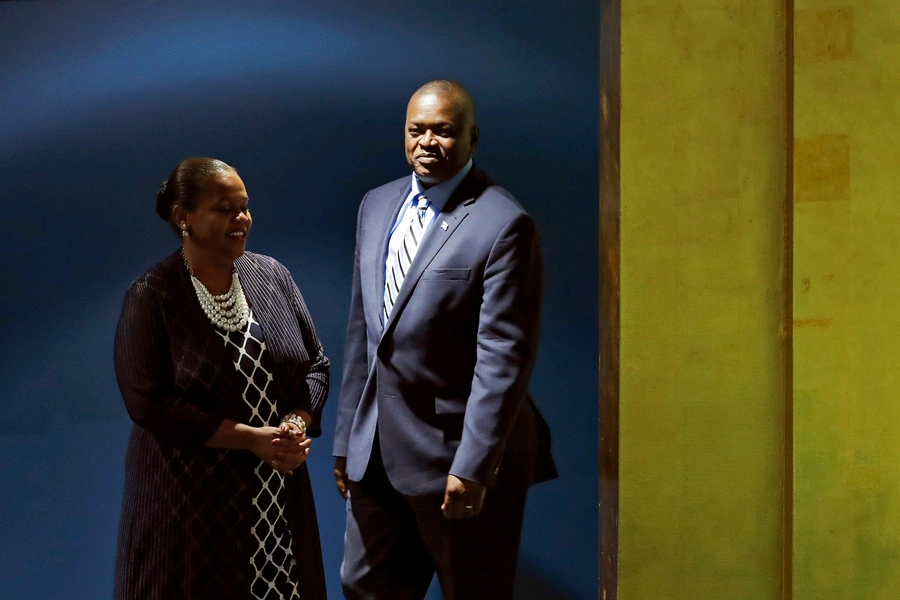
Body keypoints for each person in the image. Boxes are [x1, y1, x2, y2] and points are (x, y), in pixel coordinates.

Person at [333, 80, 558, 600]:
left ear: (472, 137)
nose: (428, 143)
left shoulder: (504, 223)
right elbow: (362, 332)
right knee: (364, 588)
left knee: (471, 590)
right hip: (375, 453)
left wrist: (475, 465)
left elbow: (503, 359)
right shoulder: (377, 205)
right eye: (417, 131)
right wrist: (347, 438)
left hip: (454, 456)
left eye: (443, 132)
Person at [113, 157, 329, 599]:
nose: (242, 218)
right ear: (183, 217)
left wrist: (295, 425)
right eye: (224, 208)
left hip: (276, 498)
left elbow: (316, 366)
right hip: (188, 506)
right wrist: (250, 438)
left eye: (245, 206)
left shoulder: (272, 276)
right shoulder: (151, 296)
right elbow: (148, 402)